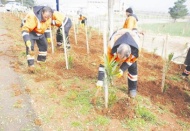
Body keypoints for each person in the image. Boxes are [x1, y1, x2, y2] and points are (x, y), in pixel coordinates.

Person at [96, 28, 139, 98]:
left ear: (129, 55)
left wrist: (122, 69)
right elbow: (104, 62)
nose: (120, 60)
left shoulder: (135, 50)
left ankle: (132, 88)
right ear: (117, 50)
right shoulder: (111, 45)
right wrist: (100, 80)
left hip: (132, 39)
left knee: (133, 67)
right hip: (118, 35)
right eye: (119, 57)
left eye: (122, 59)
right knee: (110, 62)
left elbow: (131, 60)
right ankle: (106, 77)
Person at [21, 6, 53, 73]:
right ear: (42, 13)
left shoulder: (49, 18)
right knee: (30, 47)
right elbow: (25, 29)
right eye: (45, 17)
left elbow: (47, 27)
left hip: (40, 33)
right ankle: (31, 65)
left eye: (48, 17)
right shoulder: (33, 17)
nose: (47, 19)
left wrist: (48, 36)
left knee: (44, 46)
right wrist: (27, 40)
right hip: (31, 32)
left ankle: (41, 61)